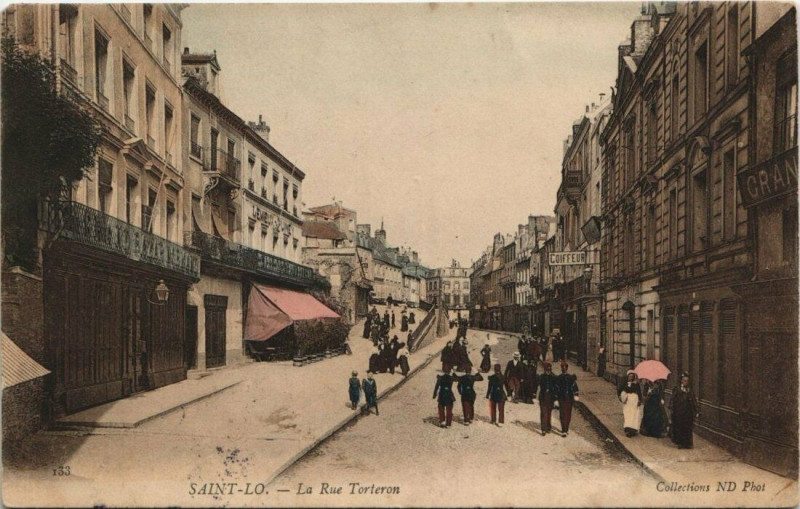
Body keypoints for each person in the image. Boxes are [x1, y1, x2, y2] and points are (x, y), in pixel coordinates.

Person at [670, 373, 698, 449]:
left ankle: (688, 444)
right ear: (681, 381)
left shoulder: (689, 390)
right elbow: (672, 399)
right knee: (680, 427)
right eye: (684, 380)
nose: (686, 382)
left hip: (688, 412)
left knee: (688, 428)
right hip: (679, 412)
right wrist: (672, 409)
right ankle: (681, 444)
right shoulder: (677, 389)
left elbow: (693, 400)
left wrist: (696, 410)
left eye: (687, 381)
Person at [556, 361, 579, 437]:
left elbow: (575, 387)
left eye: (565, 368)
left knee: (568, 413)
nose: (564, 370)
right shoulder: (558, 378)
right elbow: (556, 389)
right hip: (561, 398)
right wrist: (555, 399)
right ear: (561, 369)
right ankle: (564, 430)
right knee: (562, 413)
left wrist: (576, 395)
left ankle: (566, 428)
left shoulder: (571, 378)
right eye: (562, 368)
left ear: (567, 369)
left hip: (569, 398)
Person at [619, 370, 643, 437]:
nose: (631, 378)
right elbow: (620, 390)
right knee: (627, 413)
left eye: (632, 376)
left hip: (634, 400)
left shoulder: (636, 383)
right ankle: (627, 429)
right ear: (627, 376)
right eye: (629, 376)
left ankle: (633, 429)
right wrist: (622, 396)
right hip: (627, 400)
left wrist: (639, 400)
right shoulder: (625, 383)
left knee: (634, 414)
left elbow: (639, 392)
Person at [538, 362, 558, 435]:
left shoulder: (554, 377)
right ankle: (543, 429)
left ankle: (548, 427)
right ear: (544, 370)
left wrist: (556, 399)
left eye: (549, 370)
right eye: (546, 370)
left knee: (549, 413)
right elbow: (537, 384)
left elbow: (556, 389)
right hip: (543, 397)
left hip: (550, 398)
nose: (548, 371)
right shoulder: (541, 377)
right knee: (543, 413)